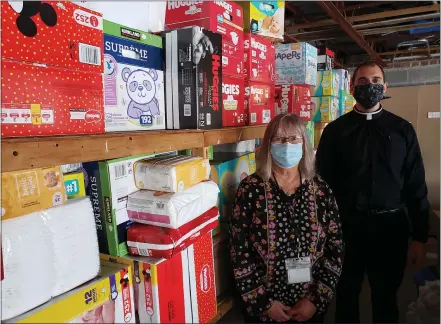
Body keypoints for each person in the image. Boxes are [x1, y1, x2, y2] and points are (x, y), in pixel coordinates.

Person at [315, 61, 430, 323]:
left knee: (386, 297)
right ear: (352, 87)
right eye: (364, 82)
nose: (371, 86)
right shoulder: (335, 131)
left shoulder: (403, 130)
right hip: (345, 228)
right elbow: (322, 186)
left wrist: (420, 237)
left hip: (391, 229)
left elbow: (416, 184)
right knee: (346, 293)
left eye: (376, 81)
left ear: (386, 87)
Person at [229, 113, 344, 323]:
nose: (287, 144)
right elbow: (239, 251)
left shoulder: (321, 190)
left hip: (309, 307)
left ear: (304, 145)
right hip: (265, 309)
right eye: (280, 139)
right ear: (269, 146)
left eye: (294, 139)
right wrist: (263, 303)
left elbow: (335, 249)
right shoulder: (250, 190)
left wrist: (315, 300)